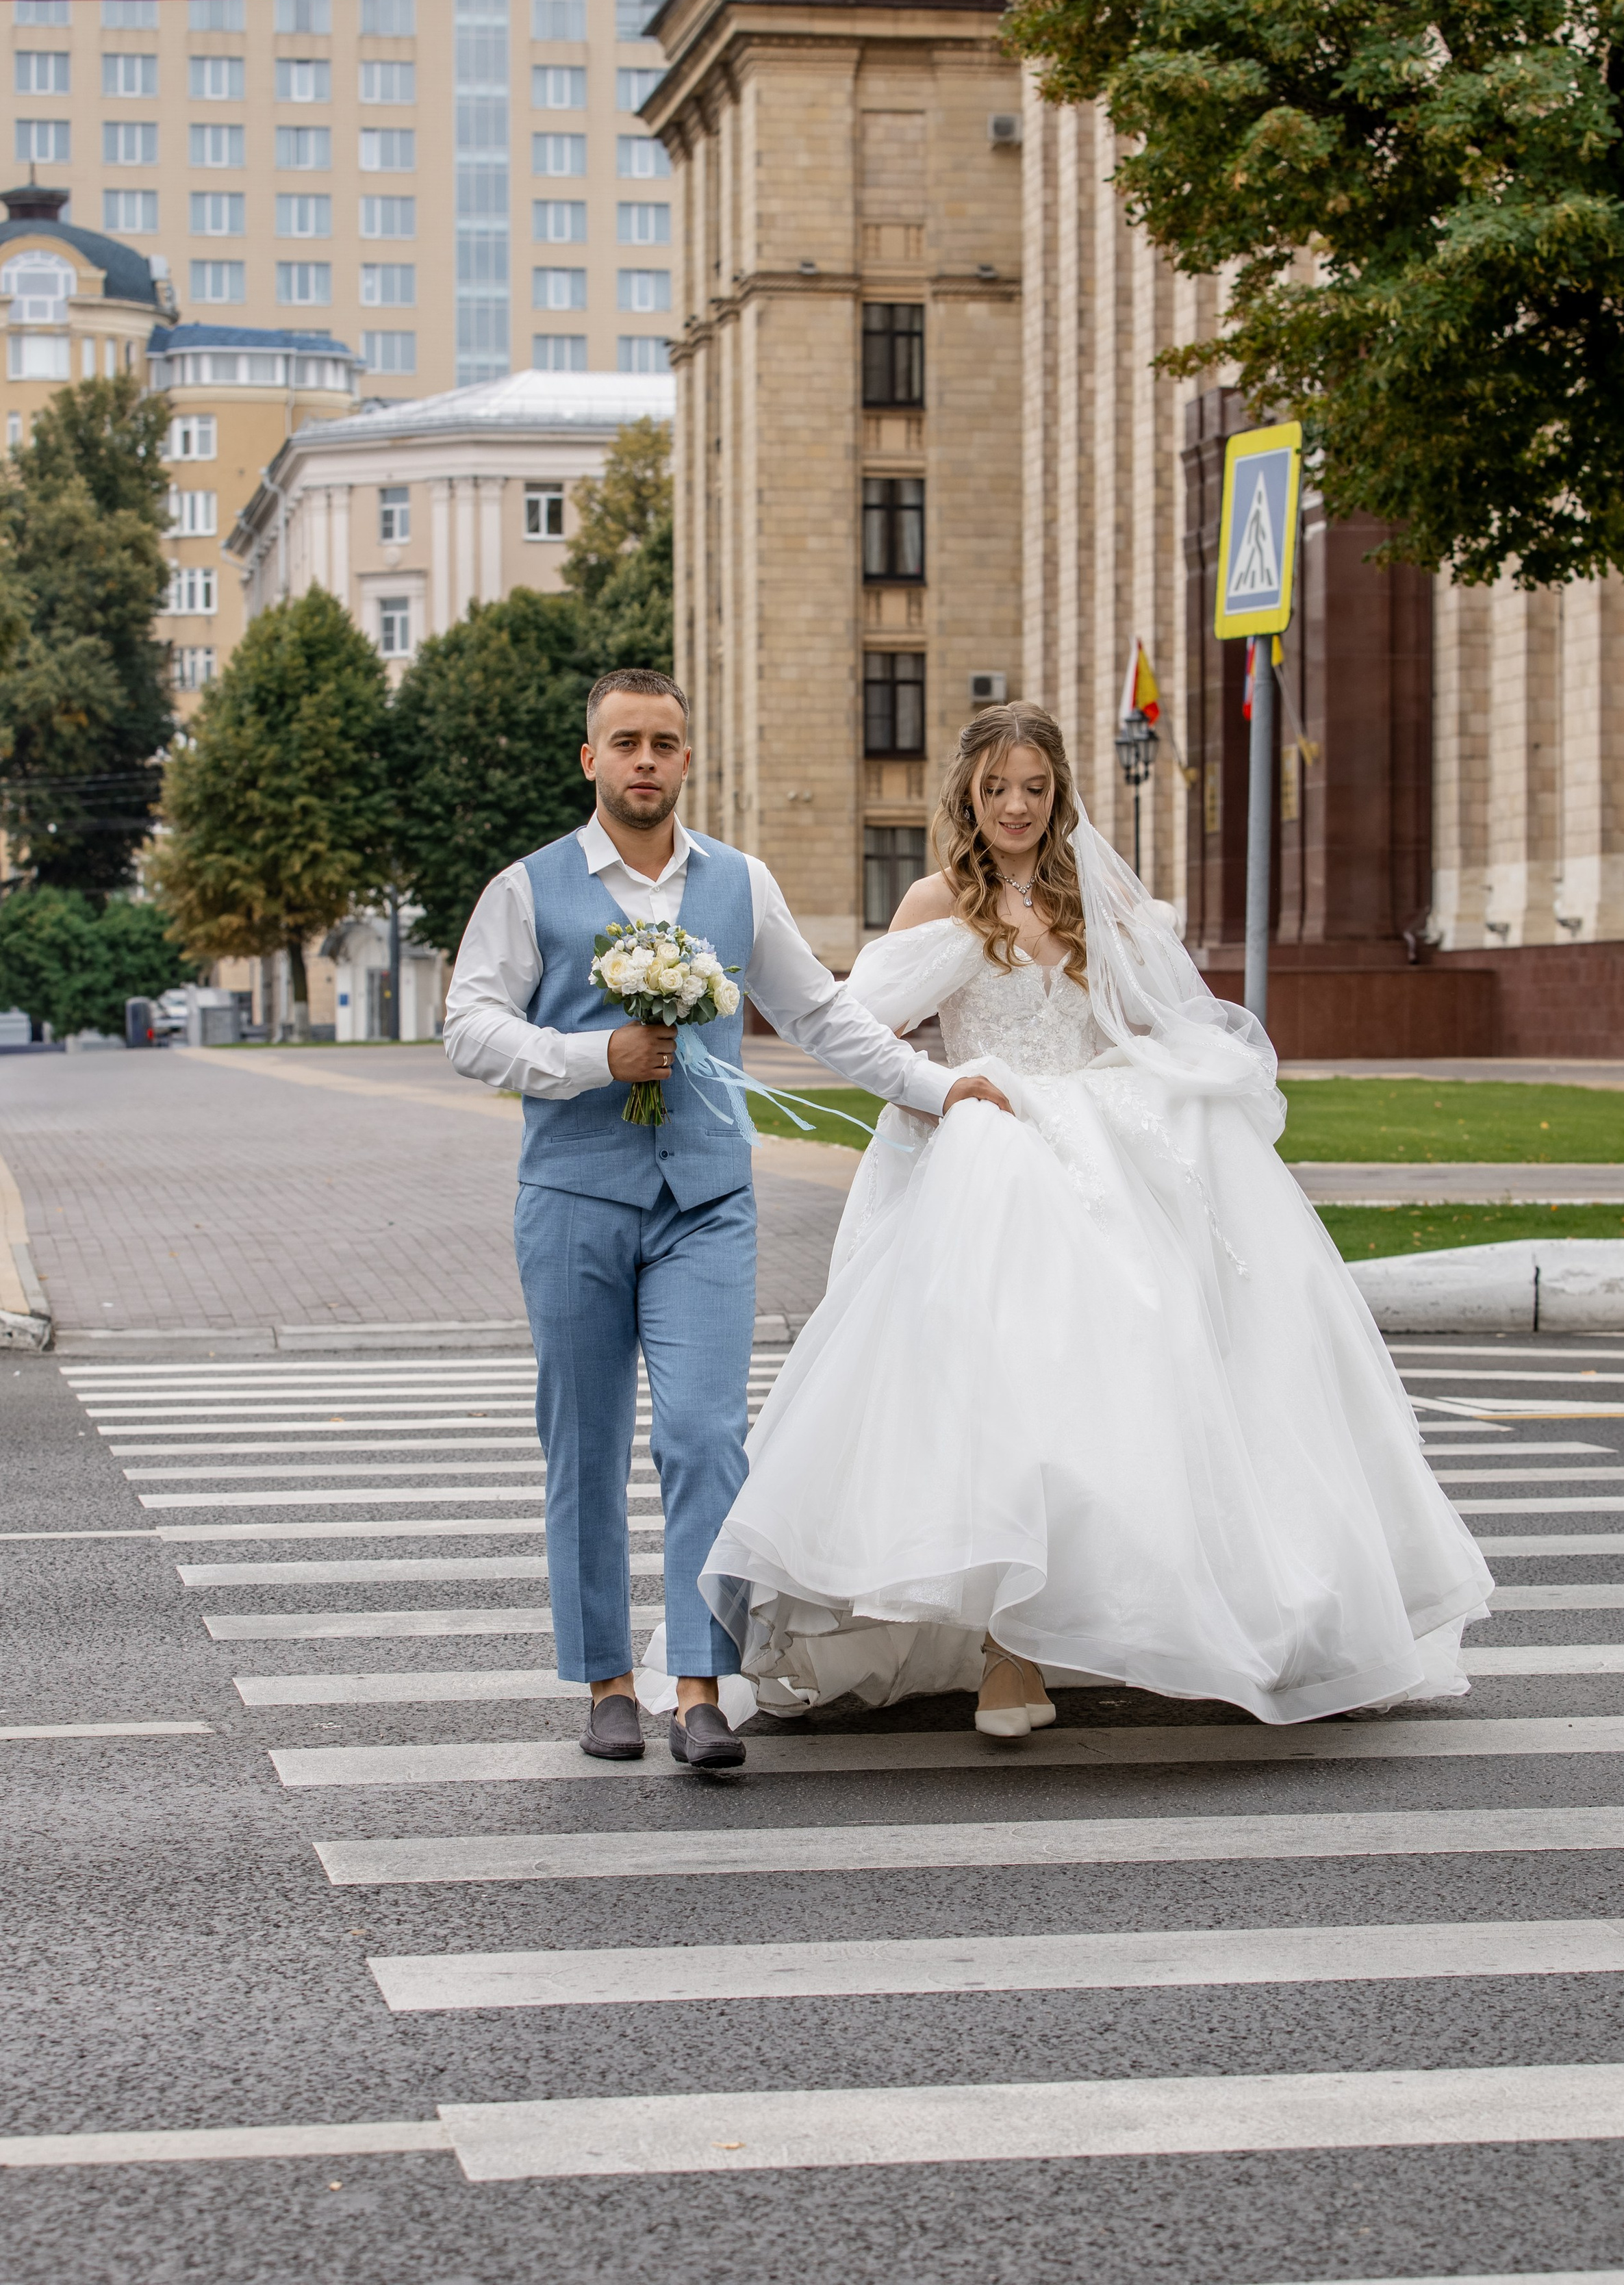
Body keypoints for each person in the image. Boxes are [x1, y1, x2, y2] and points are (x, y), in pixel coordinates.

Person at [702, 700, 1493, 1736]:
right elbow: (870, 1041)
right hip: (988, 1162)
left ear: (1060, 792)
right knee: (1002, 1391)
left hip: (1105, 1157)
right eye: (997, 789)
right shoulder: (935, 904)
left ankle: (1150, 1618)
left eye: (1034, 787)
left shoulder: (1100, 908)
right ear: (969, 796)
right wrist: (944, 1103)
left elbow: (1163, 1026)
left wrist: (1169, 1096)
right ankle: (1006, 1652)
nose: (1017, 807)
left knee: (1136, 1389)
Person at [444, 668, 1010, 1772]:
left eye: (663, 742)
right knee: (587, 1443)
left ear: (687, 759)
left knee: (706, 1436)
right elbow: (469, 1024)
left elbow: (821, 1016)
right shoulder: (529, 889)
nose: (645, 760)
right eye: (625, 743)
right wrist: (584, 1057)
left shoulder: (739, 885)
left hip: (704, 1202)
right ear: (591, 759)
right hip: (573, 1200)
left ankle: (699, 1684)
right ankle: (606, 1679)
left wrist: (940, 1088)